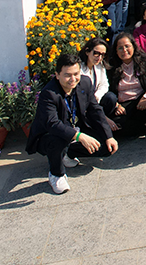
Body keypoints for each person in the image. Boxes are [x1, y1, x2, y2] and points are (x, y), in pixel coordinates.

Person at [27, 53, 118, 194]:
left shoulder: (85, 82)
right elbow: (52, 124)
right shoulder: (49, 93)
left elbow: (95, 110)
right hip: (49, 135)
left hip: (76, 128)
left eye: (76, 74)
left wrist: (108, 136)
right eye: (67, 75)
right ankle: (56, 174)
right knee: (58, 139)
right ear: (57, 75)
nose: (73, 79)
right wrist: (79, 136)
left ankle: (68, 154)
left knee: (105, 147)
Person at [103, 32, 146, 137]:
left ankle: (145, 125)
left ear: (133, 46)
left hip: (141, 101)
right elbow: (106, 88)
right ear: (116, 50)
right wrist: (116, 105)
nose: (124, 50)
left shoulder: (144, 60)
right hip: (123, 106)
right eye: (120, 48)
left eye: (127, 46)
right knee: (115, 127)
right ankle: (144, 127)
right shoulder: (111, 66)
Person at [78, 37, 109, 105]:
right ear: (87, 52)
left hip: (96, 99)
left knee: (111, 97)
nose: (99, 58)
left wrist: (97, 95)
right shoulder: (79, 68)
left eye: (103, 55)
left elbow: (104, 84)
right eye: (96, 53)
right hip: (83, 100)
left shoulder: (100, 65)